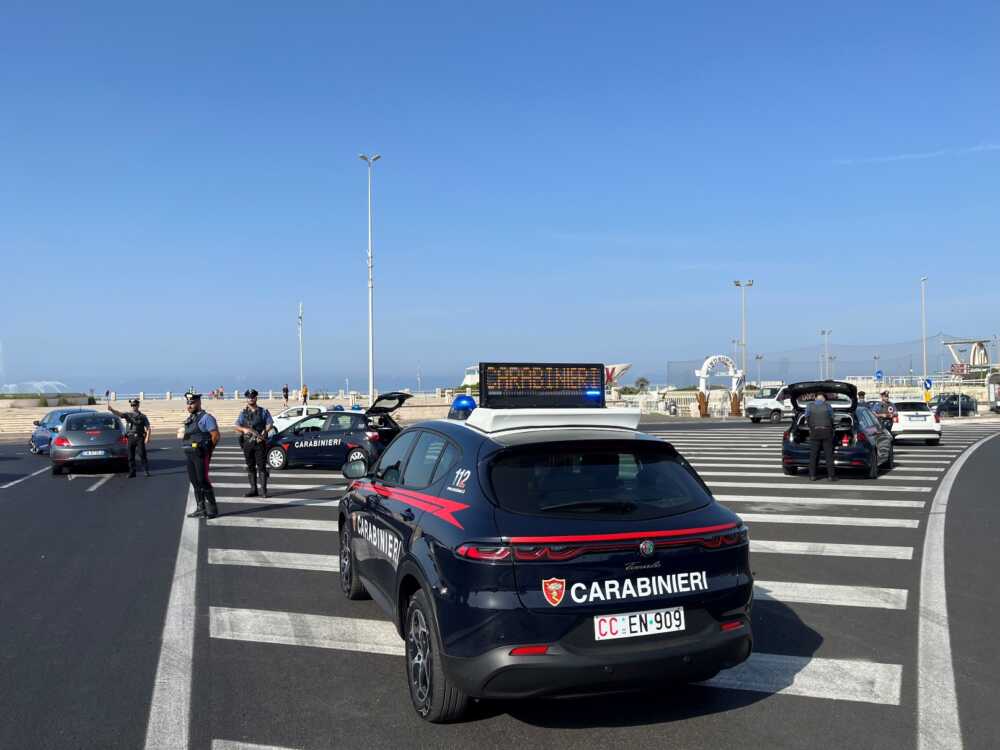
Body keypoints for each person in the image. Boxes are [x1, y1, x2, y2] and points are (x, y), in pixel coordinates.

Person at [179, 392, 221, 518]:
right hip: (190, 454)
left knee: (203, 480)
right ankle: (200, 508)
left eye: (192, 403)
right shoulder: (190, 419)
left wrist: (209, 451)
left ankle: (212, 508)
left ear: (198, 402)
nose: (189, 405)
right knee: (194, 481)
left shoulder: (206, 417)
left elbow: (215, 435)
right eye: (188, 403)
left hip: (201, 454)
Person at [234, 388, 273, 498]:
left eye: (253, 397)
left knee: (261, 466)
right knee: (250, 466)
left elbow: (270, 423)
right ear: (247, 399)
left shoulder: (263, 411)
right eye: (249, 397)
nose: (251, 399)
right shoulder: (243, 413)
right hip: (247, 443)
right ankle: (253, 490)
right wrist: (244, 430)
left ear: (256, 398)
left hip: (259, 442)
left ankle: (264, 491)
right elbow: (237, 425)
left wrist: (265, 431)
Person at [108, 399, 151, 477]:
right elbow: (119, 414)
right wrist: (112, 410)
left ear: (138, 405)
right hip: (130, 437)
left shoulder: (143, 416)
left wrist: (147, 437)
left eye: (135, 405)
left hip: (139, 437)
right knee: (131, 456)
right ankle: (132, 472)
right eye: (132, 405)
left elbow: (148, 428)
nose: (133, 407)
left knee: (142, 454)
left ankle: (146, 470)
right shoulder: (128, 415)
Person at [805, 393, 837, 481]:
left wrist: (811, 426)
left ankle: (812, 476)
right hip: (826, 432)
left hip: (814, 432)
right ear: (823, 399)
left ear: (815, 398)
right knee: (829, 455)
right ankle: (831, 476)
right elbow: (832, 418)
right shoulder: (828, 406)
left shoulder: (809, 406)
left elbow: (806, 417)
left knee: (814, 455)